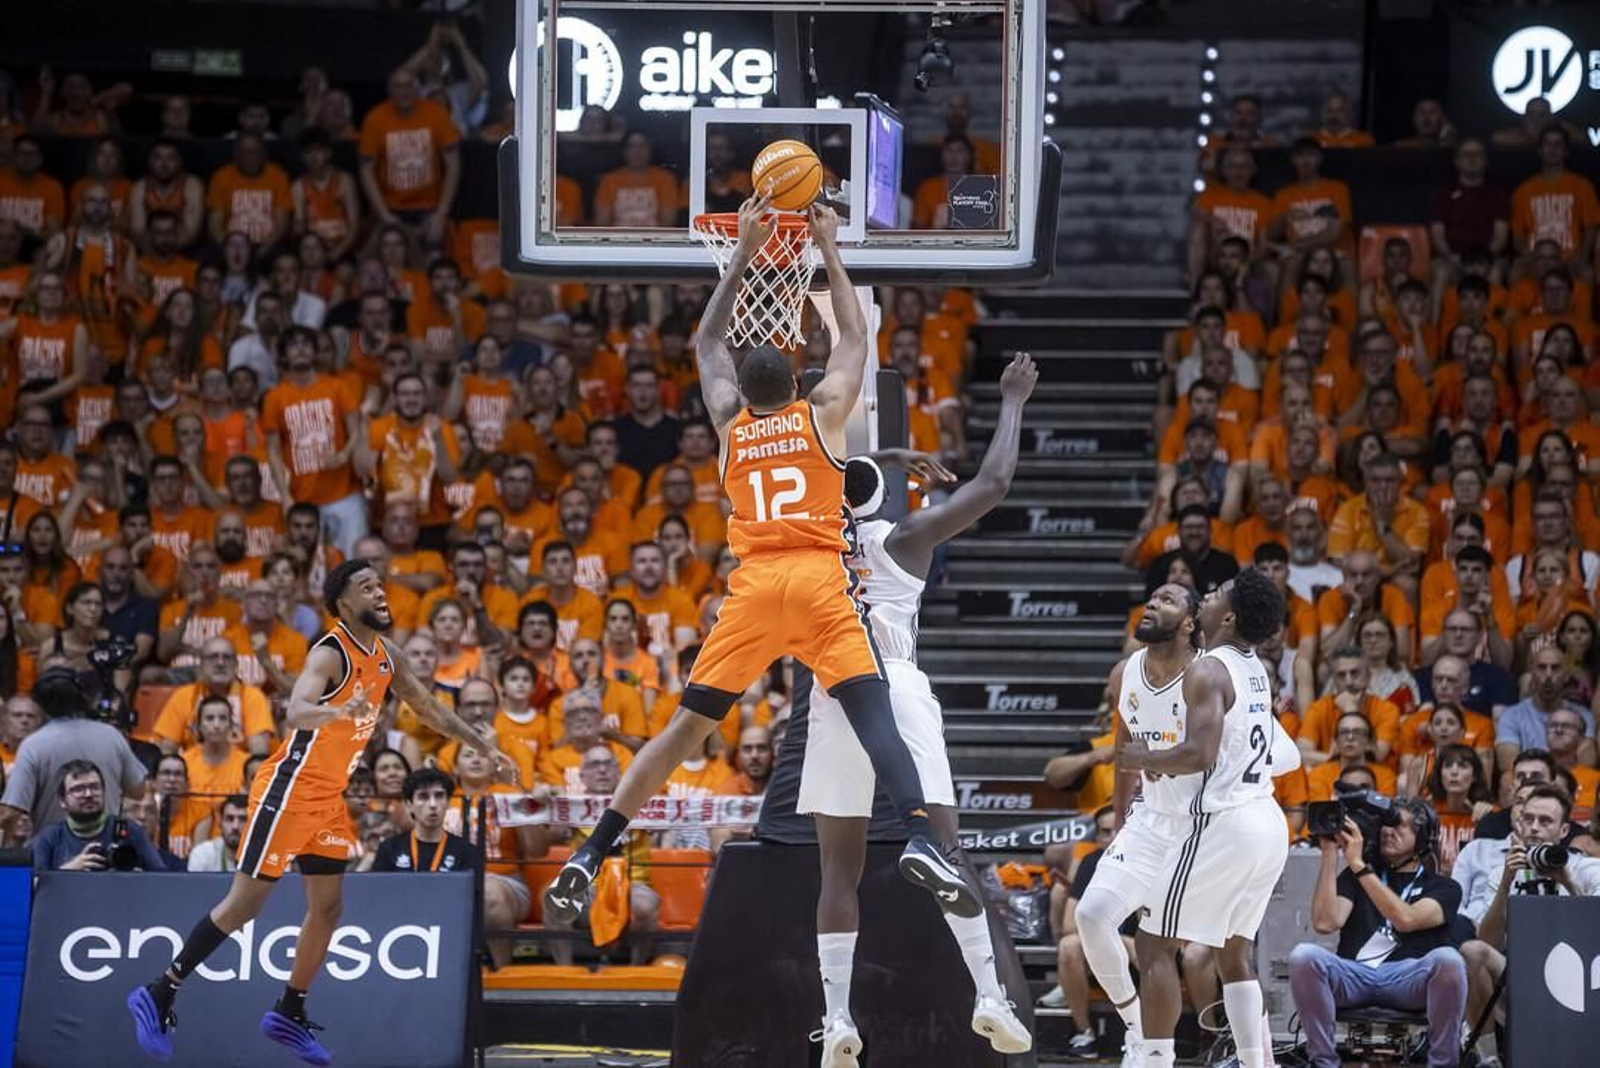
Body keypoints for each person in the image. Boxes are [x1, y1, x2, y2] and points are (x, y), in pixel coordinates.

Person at [543, 197, 974, 935]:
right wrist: (829, 248)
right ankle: (924, 840)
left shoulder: (727, 423)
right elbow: (855, 335)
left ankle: (591, 850)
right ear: (799, 389)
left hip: (750, 590)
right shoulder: (826, 411)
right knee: (873, 715)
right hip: (816, 580)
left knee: (682, 729)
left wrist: (743, 251)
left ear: (746, 394)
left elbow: (708, 342)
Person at [128, 558, 519, 1063]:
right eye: (366, 587)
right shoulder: (329, 652)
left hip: (328, 799)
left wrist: (483, 747)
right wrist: (340, 711)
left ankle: (289, 1010)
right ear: (342, 604)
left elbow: (428, 708)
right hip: (289, 789)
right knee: (245, 905)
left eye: (380, 584)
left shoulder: (386, 654)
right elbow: (295, 710)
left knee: (329, 908)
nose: (380, 593)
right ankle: (160, 991)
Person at [798, 354, 1039, 1059]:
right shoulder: (906, 540)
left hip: (833, 691)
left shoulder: (809, 546)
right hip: (896, 684)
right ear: (886, 499)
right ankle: (988, 996)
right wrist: (1013, 399)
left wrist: (879, 457)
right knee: (947, 848)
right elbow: (993, 483)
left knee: (836, 876)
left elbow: (830, 482)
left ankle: (838, 1018)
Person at [1117, 570, 1291, 1068]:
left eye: (1215, 594)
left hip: (1227, 823)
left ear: (1227, 616)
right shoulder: (1254, 665)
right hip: (1268, 820)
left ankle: (1153, 1061)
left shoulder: (1209, 669)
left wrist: (1147, 758)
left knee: (1153, 943)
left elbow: (1199, 753)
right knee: (1233, 951)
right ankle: (1260, 1063)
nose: (1208, 597)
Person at [1288, 796, 1467, 1068]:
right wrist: (1328, 855)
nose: (1388, 831)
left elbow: (1405, 919)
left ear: (1423, 838)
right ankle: (1323, 1062)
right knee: (1303, 956)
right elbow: (1326, 922)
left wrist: (1360, 867)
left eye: (1399, 826)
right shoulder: (1355, 875)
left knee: (1449, 960)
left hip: (1408, 978)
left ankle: (1442, 1064)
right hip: (1355, 974)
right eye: (1385, 824)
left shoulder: (1444, 887)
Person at [1454, 783, 1600, 1066]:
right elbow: (1488, 944)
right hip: (1518, 983)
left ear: (1564, 831)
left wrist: (1566, 880)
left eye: (1545, 821)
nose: (1534, 828)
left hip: (1580, 984)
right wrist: (1506, 885)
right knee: (1472, 952)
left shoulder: (1589, 869)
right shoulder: (1502, 872)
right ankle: (1488, 1059)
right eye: (1528, 819)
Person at [0, 669, 148, 839]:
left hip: (53, 856)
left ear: (39, 704)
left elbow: (10, 813)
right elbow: (138, 790)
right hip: (105, 853)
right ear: (81, 697)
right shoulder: (111, 735)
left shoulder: (33, 745)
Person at [32, 760, 166, 873]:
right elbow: (34, 888)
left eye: (95, 787)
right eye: (78, 789)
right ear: (62, 800)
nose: (89, 794)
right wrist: (70, 870)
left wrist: (137, 878)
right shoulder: (50, 838)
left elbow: (162, 880)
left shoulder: (130, 830)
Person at [370, 767, 477, 873]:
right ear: (409, 804)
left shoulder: (466, 852)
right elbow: (378, 889)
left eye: (439, 796)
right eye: (423, 797)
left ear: (448, 802)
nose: (433, 804)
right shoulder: (390, 848)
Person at [186, 794, 249, 873]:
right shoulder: (202, 854)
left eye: (243, 819)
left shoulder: (264, 859)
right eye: (229, 819)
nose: (235, 826)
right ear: (220, 824)